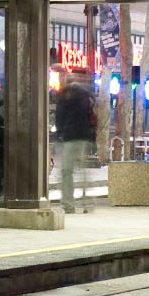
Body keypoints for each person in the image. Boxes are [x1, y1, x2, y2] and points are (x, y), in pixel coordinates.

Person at [53, 73, 97, 212]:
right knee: (83, 170)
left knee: (66, 171)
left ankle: (68, 204)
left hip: (70, 138)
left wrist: (60, 134)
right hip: (84, 137)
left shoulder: (65, 95)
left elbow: (59, 118)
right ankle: (87, 203)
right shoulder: (88, 95)